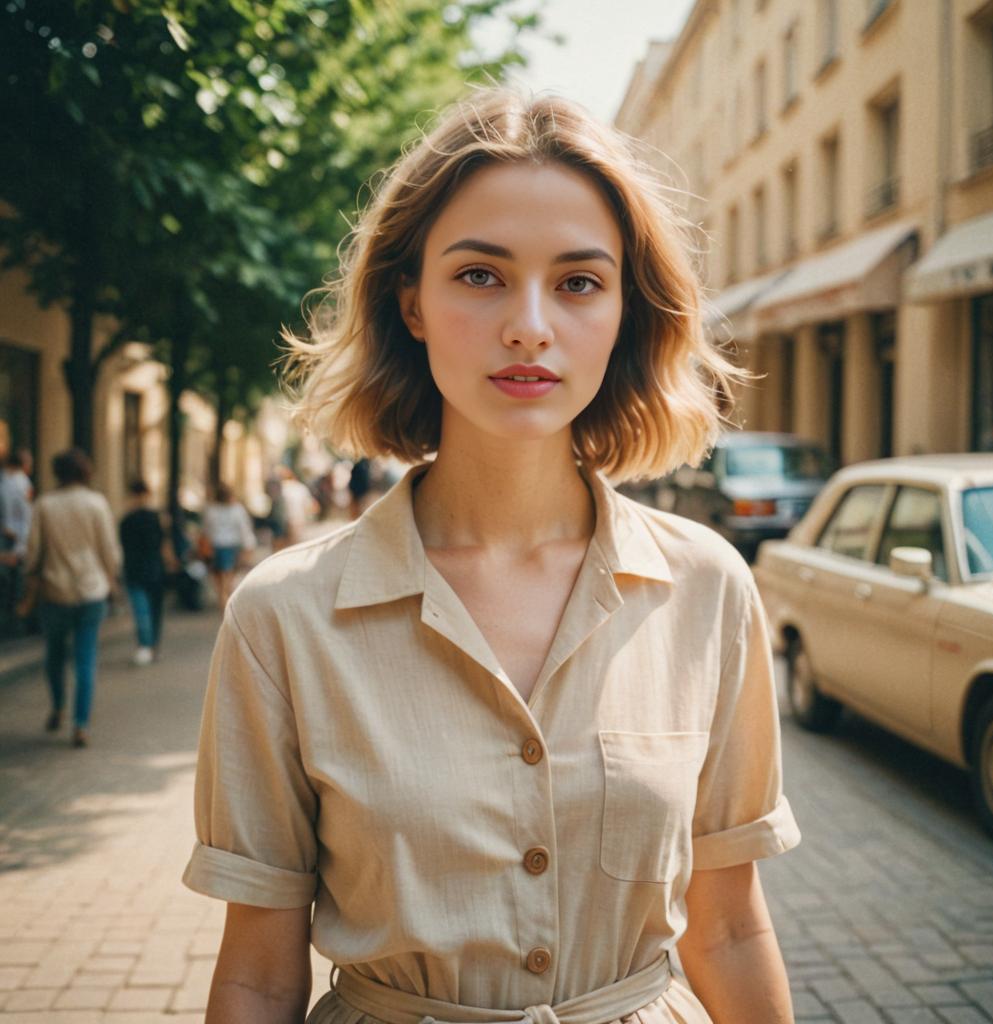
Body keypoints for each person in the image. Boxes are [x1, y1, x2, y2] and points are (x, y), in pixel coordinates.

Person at [183, 91, 801, 1024]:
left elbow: (729, 931)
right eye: (480, 275)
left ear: (627, 312)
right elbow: (260, 975)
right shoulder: (283, 618)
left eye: (579, 282)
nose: (529, 326)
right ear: (413, 302)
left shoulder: (708, 589)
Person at [23, 448, 120, 748]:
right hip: (91, 590)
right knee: (85, 658)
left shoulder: (45, 504)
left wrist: (30, 581)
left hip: (55, 590)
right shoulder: (96, 503)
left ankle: (58, 707)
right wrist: (112, 579)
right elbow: (109, 550)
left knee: (54, 653)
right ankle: (80, 725)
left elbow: (34, 552)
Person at [119, 479, 170, 665]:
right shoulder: (157, 517)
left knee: (141, 611)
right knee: (155, 610)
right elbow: (164, 544)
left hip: (134, 569)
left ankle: (145, 646)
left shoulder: (126, 520)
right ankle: (153, 647)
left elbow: (122, 547)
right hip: (154, 568)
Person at [199, 482, 256, 611]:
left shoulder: (210, 510)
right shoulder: (237, 510)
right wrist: (248, 548)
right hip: (231, 547)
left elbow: (206, 530)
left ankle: (223, 602)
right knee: (228, 579)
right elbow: (244, 530)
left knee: (219, 580)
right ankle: (226, 605)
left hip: (214, 547)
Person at [0, 448, 34, 634]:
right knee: (15, 585)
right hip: (13, 539)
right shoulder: (22, 483)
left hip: (8, 536)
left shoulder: (4, 481)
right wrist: (23, 545)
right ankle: (15, 624)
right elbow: (25, 516)